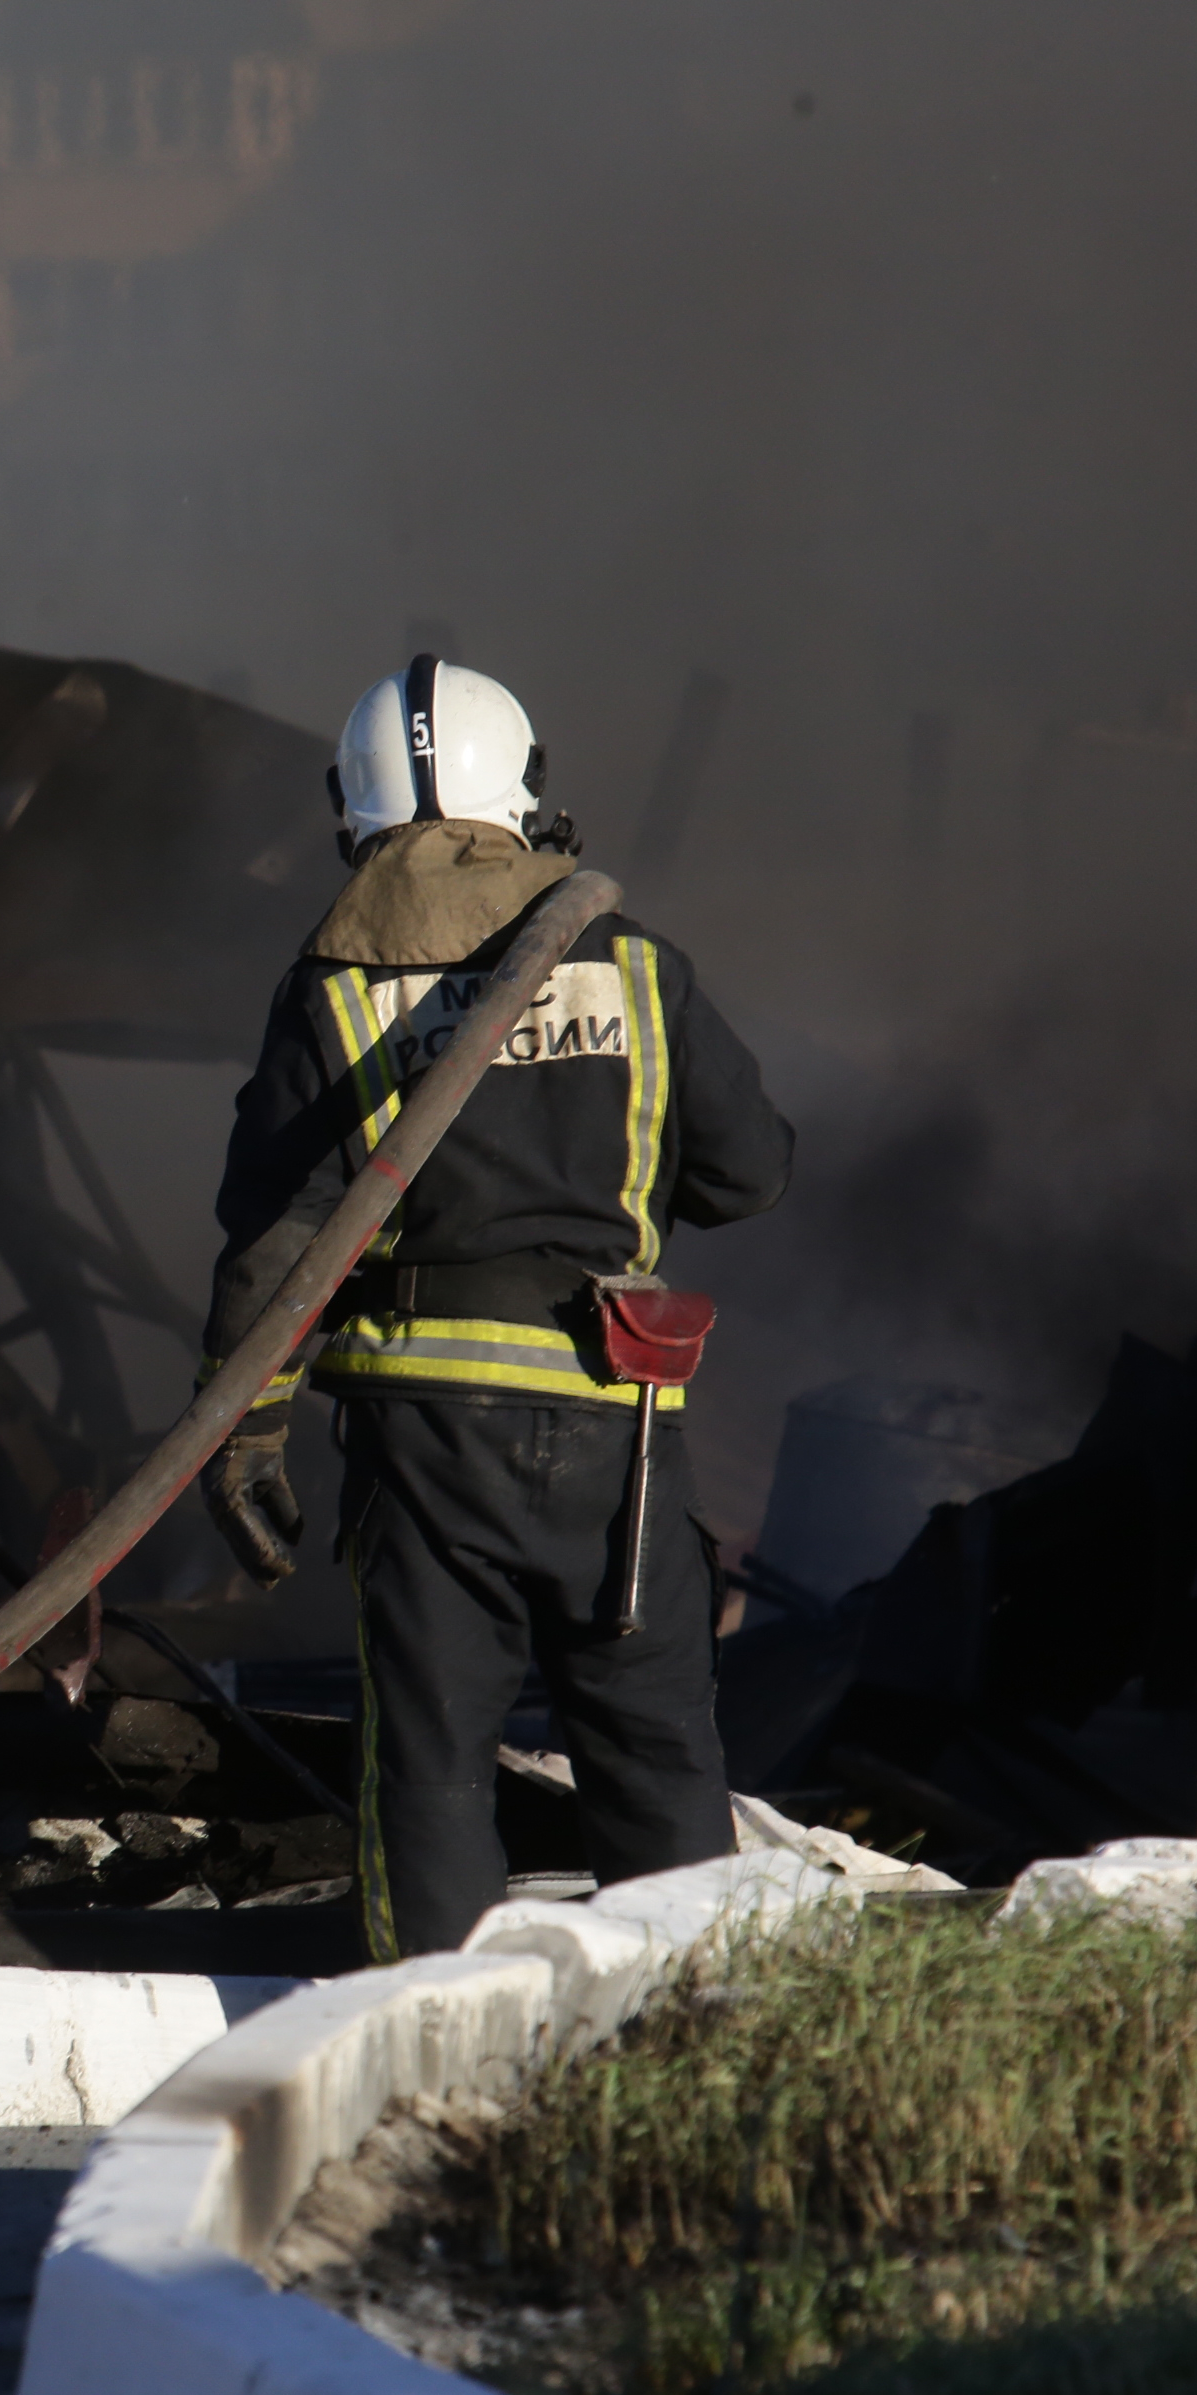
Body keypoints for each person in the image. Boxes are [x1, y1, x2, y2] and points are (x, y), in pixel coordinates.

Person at [198, 655, 793, 1963]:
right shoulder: (634, 964)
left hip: (425, 1446)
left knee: (432, 1768)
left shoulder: (337, 986)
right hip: (614, 1435)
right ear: (525, 795)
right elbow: (750, 1172)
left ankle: (437, 2063)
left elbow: (276, 1236)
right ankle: (689, 2041)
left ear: (351, 812)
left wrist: (241, 1434)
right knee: (656, 1759)